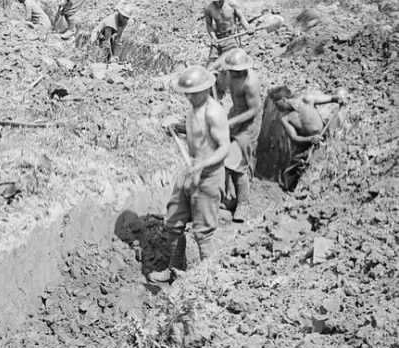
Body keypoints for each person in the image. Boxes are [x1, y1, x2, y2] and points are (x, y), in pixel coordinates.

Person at [147, 66, 230, 285]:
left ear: (205, 89)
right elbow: (198, 132)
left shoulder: (214, 112)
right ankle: (175, 268)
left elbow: (224, 148)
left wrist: (204, 163)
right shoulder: (194, 108)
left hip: (208, 175)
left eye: (193, 93)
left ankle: (207, 284)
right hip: (190, 168)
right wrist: (179, 128)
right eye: (187, 93)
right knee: (173, 222)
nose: (189, 97)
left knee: (203, 233)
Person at [214, 48, 262, 222]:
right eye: (231, 72)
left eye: (237, 72)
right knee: (222, 154)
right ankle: (228, 197)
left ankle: (243, 204)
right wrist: (214, 76)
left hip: (249, 124)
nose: (234, 74)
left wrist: (230, 123)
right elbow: (220, 85)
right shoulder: (229, 75)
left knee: (237, 164)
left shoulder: (251, 83)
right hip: (235, 114)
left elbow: (254, 110)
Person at [271, 85, 347, 191]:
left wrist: (338, 99)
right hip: (307, 143)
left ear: (284, 100)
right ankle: (293, 190)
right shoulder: (285, 118)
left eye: (277, 105)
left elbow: (331, 98)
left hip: (325, 134)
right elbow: (294, 137)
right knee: (290, 171)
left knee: (336, 125)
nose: (277, 108)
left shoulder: (307, 100)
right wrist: (310, 139)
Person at [203, 0, 251, 65]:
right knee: (212, 64)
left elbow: (241, 18)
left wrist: (247, 28)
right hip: (218, 38)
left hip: (231, 36)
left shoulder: (232, 4)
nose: (218, 3)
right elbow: (209, 25)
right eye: (215, 1)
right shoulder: (208, 9)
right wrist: (213, 38)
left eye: (220, 0)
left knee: (233, 61)